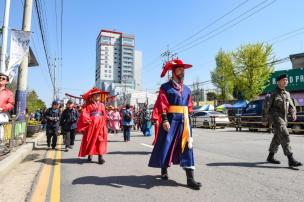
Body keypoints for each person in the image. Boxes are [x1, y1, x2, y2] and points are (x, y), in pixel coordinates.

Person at [148, 59, 201, 190]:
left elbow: (189, 106)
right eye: (179, 69)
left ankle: (190, 178)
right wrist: (164, 119)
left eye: (183, 70)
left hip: (185, 121)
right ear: (173, 72)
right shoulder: (165, 87)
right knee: (166, 144)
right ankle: (164, 169)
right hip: (171, 120)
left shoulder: (187, 89)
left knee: (187, 146)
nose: (182, 72)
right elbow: (162, 104)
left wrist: (189, 117)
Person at [262, 73, 302, 168]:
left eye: (287, 80)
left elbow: (292, 106)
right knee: (285, 135)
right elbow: (266, 108)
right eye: (284, 80)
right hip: (276, 118)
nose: (286, 81)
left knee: (277, 137)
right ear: (278, 82)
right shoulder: (272, 93)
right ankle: (290, 158)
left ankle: (270, 156)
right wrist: (264, 119)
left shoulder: (287, 94)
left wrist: (293, 112)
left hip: (284, 119)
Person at [77, 87, 107, 164]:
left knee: (100, 141)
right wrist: (88, 120)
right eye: (96, 95)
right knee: (91, 140)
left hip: (100, 125)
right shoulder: (88, 105)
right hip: (92, 125)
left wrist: (104, 124)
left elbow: (104, 115)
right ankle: (90, 154)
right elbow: (84, 114)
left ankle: (100, 157)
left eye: (98, 95)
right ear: (92, 96)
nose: (97, 97)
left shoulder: (102, 105)